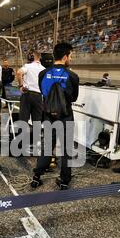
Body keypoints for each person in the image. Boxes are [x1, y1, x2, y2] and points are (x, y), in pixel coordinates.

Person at [31, 43, 79, 190]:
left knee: (47, 147)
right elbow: (74, 98)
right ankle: (64, 180)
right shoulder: (72, 76)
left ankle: (36, 177)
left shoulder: (43, 74)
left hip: (48, 116)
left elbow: (43, 92)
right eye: (70, 56)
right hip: (65, 116)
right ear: (65, 57)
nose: (70, 58)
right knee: (66, 149)